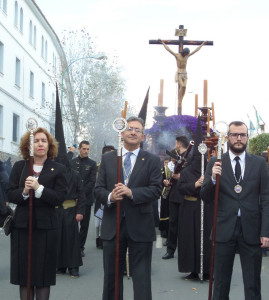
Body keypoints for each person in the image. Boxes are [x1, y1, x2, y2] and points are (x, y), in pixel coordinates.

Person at [95, 116, 162, 300]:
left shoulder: (152, 160)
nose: (133, 132)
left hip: (140, 225)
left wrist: (132, 192)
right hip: (112, 225)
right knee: (111, 277)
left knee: (141, 277)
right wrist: (110, 196)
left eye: (137, 130)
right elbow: (98, 189)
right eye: (130, 128)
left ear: (143, 136)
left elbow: (156, 190)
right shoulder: (109, 158)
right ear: (122, 132)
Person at [201, 121, 269, 300]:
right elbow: (205, 197)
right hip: (223, 229)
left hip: (252, 230)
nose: (238, 139)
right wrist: (214, 179)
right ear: (228, 137)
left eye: (242, 135)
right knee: (221, 283)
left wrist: (265, 232)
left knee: (253, 283)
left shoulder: (260, 163)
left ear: (247, 137)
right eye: (234, 135)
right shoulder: (216, 162)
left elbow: (266, 199)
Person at [7, 127, 67, 300]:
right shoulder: (20, 166)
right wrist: (24, 191)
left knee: (42, 276)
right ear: (29, 145)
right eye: (36, 141)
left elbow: (59, 197)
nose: (40, 144)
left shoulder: (58, 168)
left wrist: (39, 188)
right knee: (24, 276)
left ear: (49, 145)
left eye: (43, 140)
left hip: (46, 228)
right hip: (22, 228)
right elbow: (10, 193)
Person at [55, 155, 86, 278]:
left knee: (71, 239)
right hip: (56, 210)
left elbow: (81, 194)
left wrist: (80, 211)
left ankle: (73, 267)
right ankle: (61, 265)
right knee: (59, 239)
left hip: (71, 210)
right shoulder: (53, 174)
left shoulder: (75, 175)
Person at [158, 39, 207, 114]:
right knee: (183, 86)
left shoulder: (187, 56)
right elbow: (169, 50)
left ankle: (181, 100)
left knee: (185, 87)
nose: (186, 54)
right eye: (186, 53)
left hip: (185, 73)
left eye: (187, 53)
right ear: (183, 52)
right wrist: (162, 42)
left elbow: (196, 50)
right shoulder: (177, 55)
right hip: (179, 73)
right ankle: (179, 101)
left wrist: (203, 44)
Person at [162, 136, 189, 259]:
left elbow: (193, 174)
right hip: (174, 194)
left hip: (186, 195)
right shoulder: (175, 159)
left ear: (178, 144)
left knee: (185, 225)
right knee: (173, 223)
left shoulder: (190, 157)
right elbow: (172, 174)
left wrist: (180, 177)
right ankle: (171, 249)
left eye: (175, 143)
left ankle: (185, 252)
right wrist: (168, 181)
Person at [70, 140, 97, 257]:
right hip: (72, 199)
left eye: (88, 149)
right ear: (79, 149)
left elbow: (91, 182)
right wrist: (73, 195)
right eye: (84, 149)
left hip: (86, 198)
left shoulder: (92, 163)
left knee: (84, 225)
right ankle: (72, 246)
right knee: (72, 224)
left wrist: (80, 196)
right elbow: (69, 181)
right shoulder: (72, 162)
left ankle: (80, 247)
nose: (86, 151)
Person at [94, 145, 116, 249]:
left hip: (112, 196)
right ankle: (98, 238)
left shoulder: (116, 165)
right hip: (102, 195)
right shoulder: (99, 166)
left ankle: (106, 238)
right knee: (98, 221)